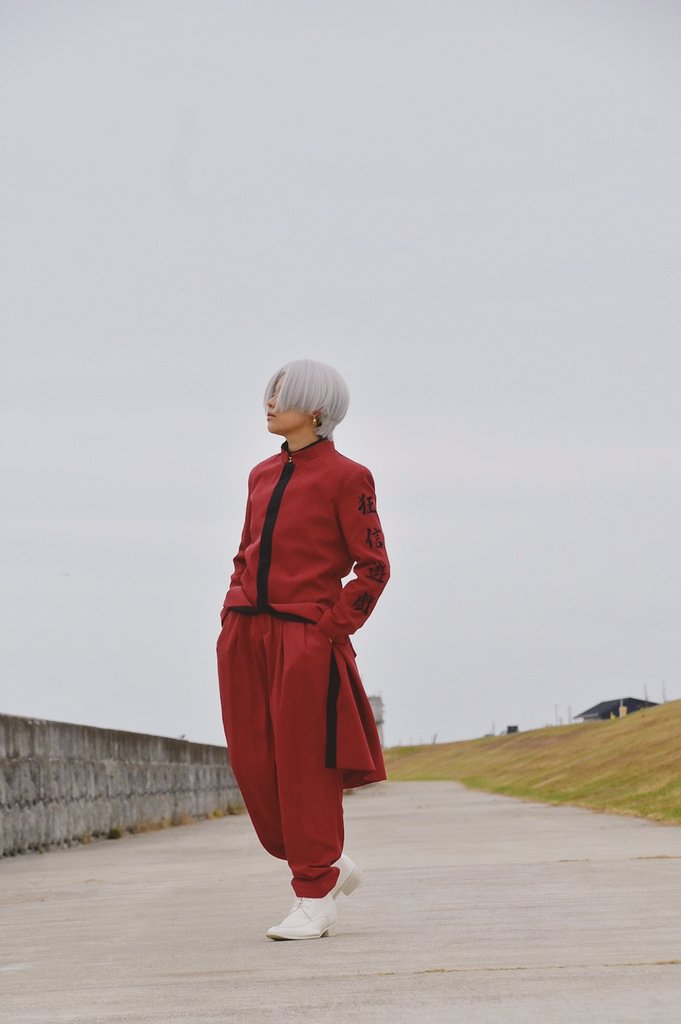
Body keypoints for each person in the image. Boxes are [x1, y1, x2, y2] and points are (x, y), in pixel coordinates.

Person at [216, 358, 390, 940]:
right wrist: (232, 608)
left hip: (305, 639)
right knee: (253, 766)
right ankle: (327, 863)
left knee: (304, 769)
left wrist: (331, 629)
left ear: (315, 410)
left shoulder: (348, 477)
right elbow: (245, 551)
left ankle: (315, 893)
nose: (269, 403)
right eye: (269, 393)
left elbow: (374, 567)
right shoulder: (261, 475)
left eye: (282, 395)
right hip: (245, 635)